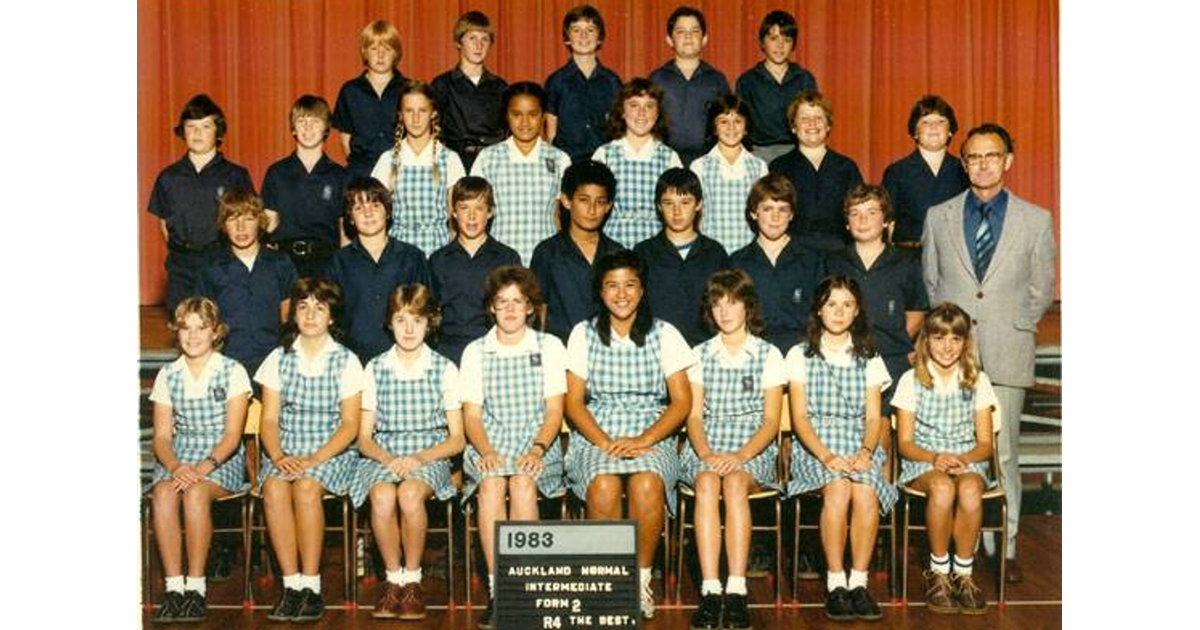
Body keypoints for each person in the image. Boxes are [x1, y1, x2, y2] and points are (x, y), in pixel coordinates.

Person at [921, 122, 1057, 583]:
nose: (982, 165)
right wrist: (948, 342)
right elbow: (933, 281)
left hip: (1006, 349)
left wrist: (1014, 324)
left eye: (991, 156)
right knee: (955, 450)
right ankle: (966, 548)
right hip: (949, 356)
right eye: (974, 157)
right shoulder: (938, 216)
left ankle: (1007, 547)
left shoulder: (1036, 219)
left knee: (1004, 453)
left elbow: (1042, 289)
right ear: (964, 163)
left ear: (1008, 161)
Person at [564, 250, 694, 619]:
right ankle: (609, 580)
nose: (621, 294)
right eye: (612, 286)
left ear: (642, 289)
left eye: (630, 285)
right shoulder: (582, 333)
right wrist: (604, 441)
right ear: (600, 291)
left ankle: (638, 581)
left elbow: (681, 402)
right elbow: (575, 404)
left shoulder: (665, 333)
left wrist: (646, 440)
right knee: (603, 483)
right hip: (598, 429)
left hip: (652, 429)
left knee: (647, 484)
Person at [459, 267, 568, 630]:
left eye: (516, 302)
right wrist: (487, 451)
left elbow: (555, 410)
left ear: (530, 308)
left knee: (522, 482)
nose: (509, 310)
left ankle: (525, 585)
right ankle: (499, 589)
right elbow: (471, 416)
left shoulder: (549, 346)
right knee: (491, 484)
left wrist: (537, 449)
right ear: (491, 308)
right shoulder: (476, 351)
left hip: (537, 442)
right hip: (488, 440)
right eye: (501, 303)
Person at [785, 275, 897, 622]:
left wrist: (866, 451)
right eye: (832, 304)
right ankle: (835, 582)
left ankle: (858, 583)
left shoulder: (870, 355)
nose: (839, 311)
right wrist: (826, 455)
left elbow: (874, 417)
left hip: (858, 440)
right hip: (816, 444)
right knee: (837, 488)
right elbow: (800, 418)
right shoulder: (800, 354)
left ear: (857, 310)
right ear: (819, 309)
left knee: (863, 491)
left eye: (847, 304)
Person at [680, 269, 785, 630]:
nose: (725, 311)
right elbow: (693, 416)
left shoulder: (768, 354)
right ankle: (711, 591)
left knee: (736, 483)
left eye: (733, 302)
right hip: (707, 446)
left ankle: (737, 590)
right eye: (717, 303)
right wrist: (707, 453)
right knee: (708, 483)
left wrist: (741, 456)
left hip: (751, 448)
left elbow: (771, 421)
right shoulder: (698, 354)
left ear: (748, 306)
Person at [352, 284, 465, 620]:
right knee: (384, 496)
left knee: (411, 494)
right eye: (401, 320)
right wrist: (389, 460)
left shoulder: (444, 368)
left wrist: (419, 459)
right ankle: (394, 580)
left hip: (429, 453)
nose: (409, 329)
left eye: (417, 319)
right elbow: (363, 438)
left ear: (430, 322)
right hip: (384, 453)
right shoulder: (375, 367)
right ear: (389, 323)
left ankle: (413, 581)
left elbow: (457, 439)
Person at [255, 278, 364, 622]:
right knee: (272, 487)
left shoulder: (346, 360)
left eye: (320, 307)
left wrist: (314, 460)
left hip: (331, 453)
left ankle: (312, 588)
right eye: (303, 307)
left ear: (332, 317)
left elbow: (349, 426)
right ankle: (291, 586)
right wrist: (278, 457)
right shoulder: (278, 358)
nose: (311, 314)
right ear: (294, 315)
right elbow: (269, 420)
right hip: (286, 451)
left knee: (305, 488)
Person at [148, 297, 251, 624]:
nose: (193, 336)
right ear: (176, 332)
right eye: (185, 328)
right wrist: (176, 466)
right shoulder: (169, 374)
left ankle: (196, 587)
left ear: (215, 332)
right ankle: (174, 587)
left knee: (194, 494)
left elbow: (233, 435)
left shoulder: (232, 371)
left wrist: (205, 466)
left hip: (220, 458)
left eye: (201, 328)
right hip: (179, 457)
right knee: (163, 493)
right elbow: (163, 437)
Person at [894, 302, 998, 615]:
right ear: (926, 340)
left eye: (955, 339)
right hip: (924, 459)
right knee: (942, 488)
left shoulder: (977, 380)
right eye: (939, 338)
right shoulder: (910, 380)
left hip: (968, 458)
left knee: (967, 489)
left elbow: (985, 444)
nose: (947, 346)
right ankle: (939, 572)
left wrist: (963, 458)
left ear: (965, 342)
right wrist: (935, 457)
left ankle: (963, 575)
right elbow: (905, 443)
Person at [825, 184, 928, 415]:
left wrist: (892, 343)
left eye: (871, 213)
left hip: (893, 360)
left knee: (891, 433)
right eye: (855, 214)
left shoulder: (907, 262)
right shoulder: (832, 263)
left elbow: (916, 311)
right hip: (844, 359)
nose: (862, 220)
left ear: (885, 221)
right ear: (847, 223)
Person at [148, 94, 254, 312]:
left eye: (205, 126)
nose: (197, 133)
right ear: (182, 131)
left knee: (222, 327)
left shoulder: (235, 175)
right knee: (186, 329)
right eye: (191, 126)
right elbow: (164, 224)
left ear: (218, 132)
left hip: (221, 263)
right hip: (181, 268)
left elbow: (249, 222)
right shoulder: (168, 177)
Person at [326, 177, 431, 363]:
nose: (368, 214)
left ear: (388, 211)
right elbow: (331, 316)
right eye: (359, 208)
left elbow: (425, 312)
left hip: (403, 357)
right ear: (350, 217)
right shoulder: (338, 261)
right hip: (353, 359)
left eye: (375, 205)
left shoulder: (412, 257)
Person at [198, 188, 298, 383]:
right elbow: (205, 321)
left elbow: (288, 318)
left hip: (272, 364)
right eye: (232, 219)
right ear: (223, 225)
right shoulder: (211, 267)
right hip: (227, 364)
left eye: (249, 219)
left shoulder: (280, 263)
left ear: (260, 222)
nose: (241, 227)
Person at [471, 81, 572, 265]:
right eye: (516, 114)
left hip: (546, 259)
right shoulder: (488, 158)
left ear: (543, 116)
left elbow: (558, 216)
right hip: (499, 259)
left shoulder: (559, 159)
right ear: (506, 116)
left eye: (532, 114)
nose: (525, 122)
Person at [728, 173, 825, 353]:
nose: (775, 217)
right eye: (767, 209)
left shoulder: (812, 260)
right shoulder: (737, 262)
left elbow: (821, 315)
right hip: (753, 351)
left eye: (782, 209)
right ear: (753, 213)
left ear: (791, 215)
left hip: (801, 351)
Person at [429, 177, 522, 364]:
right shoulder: (438, 260)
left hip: (494, 350)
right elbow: (430, 314)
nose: (471, 216)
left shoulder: (507, 258)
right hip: (448, 352)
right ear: (453, 212)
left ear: (490, 212)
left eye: (479, 208)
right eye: (464, 208)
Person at [530, 159, 625, 341]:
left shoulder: (617, 253)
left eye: (600, 202)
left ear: (608, 206)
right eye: (583, 200)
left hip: (606, 351)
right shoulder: (547, 252)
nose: (592, 210)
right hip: (561, 353)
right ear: (566, 200)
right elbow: (538, 310)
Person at [370, 79, 467, 257]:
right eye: (409, 111)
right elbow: (376, 212)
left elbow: (457, 217)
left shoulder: (449, 159)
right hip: (399, 251)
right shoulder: (388, 159)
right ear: (400, 115)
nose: (415, 118)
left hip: (438, 247)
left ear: (433, 113)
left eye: (422, 111)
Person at [634, 167, 729, 346]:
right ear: (659, 206)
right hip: (657, 348)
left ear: (699, 204)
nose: (677, 212)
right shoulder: (643, 252)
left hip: (705, 349)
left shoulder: (715, 253)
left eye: (685, 202)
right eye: (669, 203)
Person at [262, 95, 350, 278]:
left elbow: (345, 232)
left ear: (326, 128)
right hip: (285, 263)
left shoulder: (340, 175)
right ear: (293, 129)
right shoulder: (276, 173)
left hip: (326, 263)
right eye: (302, 121)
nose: (308, 128)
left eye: (315, 121)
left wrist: (343, 271)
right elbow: (268, 224)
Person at [768, 90, 864, 253]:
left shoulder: (846, 167)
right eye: (804, 118)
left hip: (839, 253)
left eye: (818, 118)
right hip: (793, 253)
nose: (812, 124)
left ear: (828, 125)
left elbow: (859, 213)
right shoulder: (779, 167)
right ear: (793, 126)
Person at [592, 78, 683, 249]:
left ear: (657, 114)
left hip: (657, 245)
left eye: (649, 106)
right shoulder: (604, 154)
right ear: (622, 111)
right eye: (634, 105)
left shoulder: (669, 157)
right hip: (613, 240)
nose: (642, 113)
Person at [881, 95, 969, 247]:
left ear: (950, 131)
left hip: (954, 256)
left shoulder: (965, 170)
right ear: (915, 132)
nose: (934, 127)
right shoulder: (896, 172)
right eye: (926, 122)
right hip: (909, 258)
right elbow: (886, 222)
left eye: (941, 121)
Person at [649, 6, 730, 166]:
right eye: (680, 32)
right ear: (669, 39)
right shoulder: (657, 78)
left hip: (707, 160)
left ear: (705, 39)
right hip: (664, 159)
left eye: (694, 31)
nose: (688, 37)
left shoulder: (717, 80)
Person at [736, 10, 818, 165]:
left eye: (786, 39)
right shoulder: (747, 81)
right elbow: (741, 124)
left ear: (793, 44)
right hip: (759, 154)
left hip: (797, 152)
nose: (780, 45)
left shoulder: (804, 78)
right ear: (762, 42)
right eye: (773, 38)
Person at [689, 94, 768, 254]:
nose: (731, 127)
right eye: (724, 121)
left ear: (746, 128)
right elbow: (695, 214)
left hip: (748, 252)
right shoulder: (700, 166)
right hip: (711, 252)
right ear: (714, 128)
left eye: (738, 121)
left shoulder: (759, 166)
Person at [431, 11, 508, 172]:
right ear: (459, 42)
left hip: (492, 163)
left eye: (484, 39)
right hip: (455, 163)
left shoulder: (500, 87)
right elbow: (433, 132)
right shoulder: (442, 85)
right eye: (472, 38)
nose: (479, 45)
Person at [545, 4, 622, 162]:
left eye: (590, 30)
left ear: (600, 38)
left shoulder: (612, 81)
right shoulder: (556, 81)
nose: (583, 36)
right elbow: (551, 132)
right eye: (576, 30)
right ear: (567, 38)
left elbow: (619, 128)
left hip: (604, 162)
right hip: (567, 162)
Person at [332, 20, 408, 178]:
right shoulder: (350, 90)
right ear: (365, 52)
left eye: (387, 49)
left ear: (396, 53)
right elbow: (346, 139)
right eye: (374, 49)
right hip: (361, 171)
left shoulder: (409, 90)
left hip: (401, 171)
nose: (380, 55)